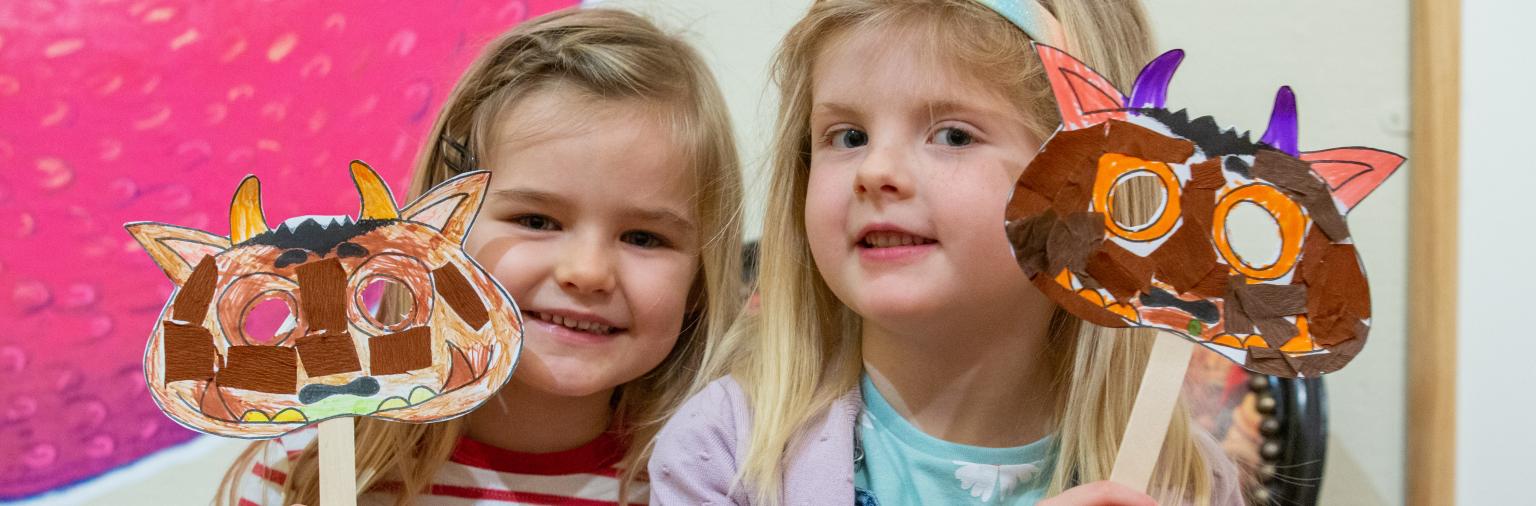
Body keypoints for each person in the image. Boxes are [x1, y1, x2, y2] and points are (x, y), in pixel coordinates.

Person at [649, 1, 1242, 504]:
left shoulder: (1181, 483)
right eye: (848, 137)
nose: (876, 170)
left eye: (953, 135)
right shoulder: (726, 450)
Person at [218, 7, 744, 505]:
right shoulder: (305, 473)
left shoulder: (707, 483)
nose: (587, 272)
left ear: (701, 276)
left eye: (644, 238)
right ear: (437, 235)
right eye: (537, 221)